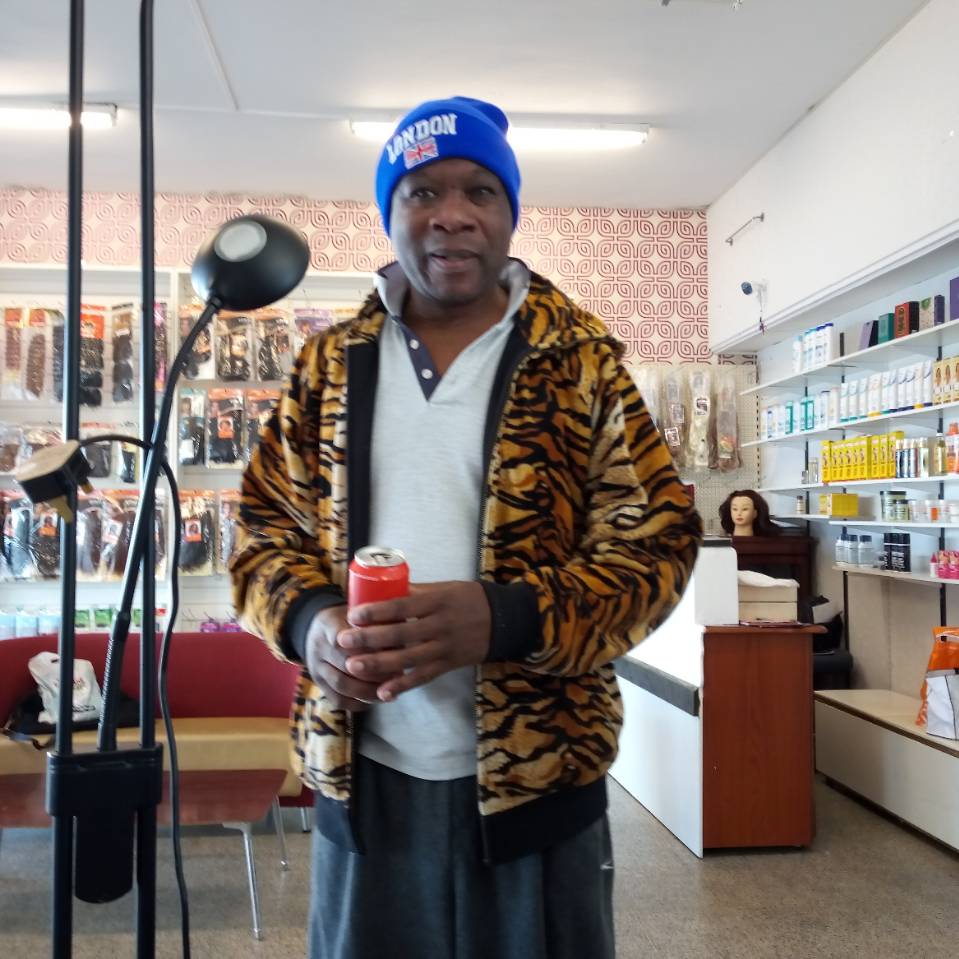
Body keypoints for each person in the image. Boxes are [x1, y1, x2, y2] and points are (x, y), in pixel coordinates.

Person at [230, 95, 702, 959]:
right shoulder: (328, 364)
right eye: (423, 191)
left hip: (540, 777)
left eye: (480, 190)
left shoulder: (582, 364)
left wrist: (508, 617)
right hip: (362, 775)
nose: (452, 214)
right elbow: (262, 530)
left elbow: (658, 544)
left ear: (509, 214)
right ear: (391, 213)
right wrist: (308, 623)